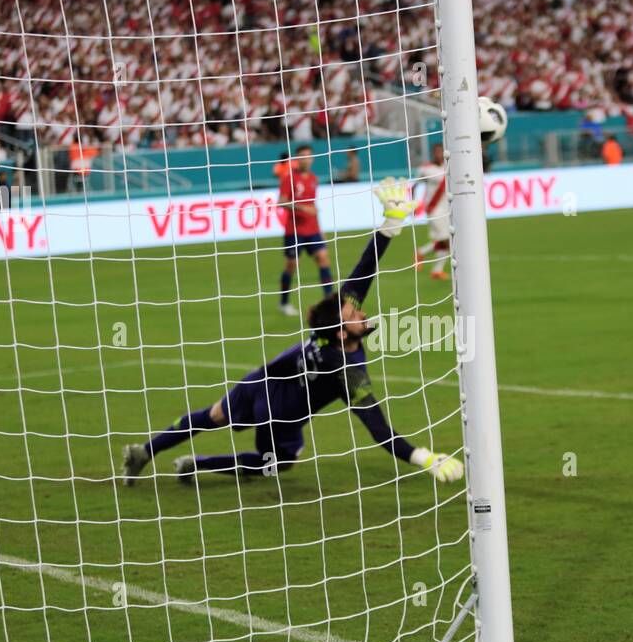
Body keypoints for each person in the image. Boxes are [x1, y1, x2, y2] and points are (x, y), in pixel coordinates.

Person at [121, 179, 464, 487]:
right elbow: (378, 428)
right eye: (354, 314)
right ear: (343, 334)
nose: (361, 311)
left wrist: (391, 224)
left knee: (211, 417)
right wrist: (423, 457)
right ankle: (196, 465)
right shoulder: (346, 371)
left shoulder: (333, 330)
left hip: (258, 384)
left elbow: (363, 272)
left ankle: (146, 452)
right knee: (277, 464)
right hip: (278, 417)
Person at [277, 144, 334, 316]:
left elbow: (313, 206)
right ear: (297, 159)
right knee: (292, 265)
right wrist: (303, 208)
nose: (305, 159)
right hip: (294, 230)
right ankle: (284, 303)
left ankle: (330, 302)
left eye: (308, 156)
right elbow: (282, 201)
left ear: (312, 159)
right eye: (302, 156)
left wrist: (321, 229)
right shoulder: (289, 178)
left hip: (312, 229)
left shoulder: (313, 179)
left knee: (324, 259)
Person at [413, 142, 452, 280]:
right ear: (432, 153)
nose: (438, 154)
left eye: (440, 151)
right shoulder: (425, 169)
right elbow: (414, 186)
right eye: (436, 151)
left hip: (446, 208)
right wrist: (413, 204)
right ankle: (434, 267)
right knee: (448, 240)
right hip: (433, 209)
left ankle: (425, 257)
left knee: (442, 240)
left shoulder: (447, 167)